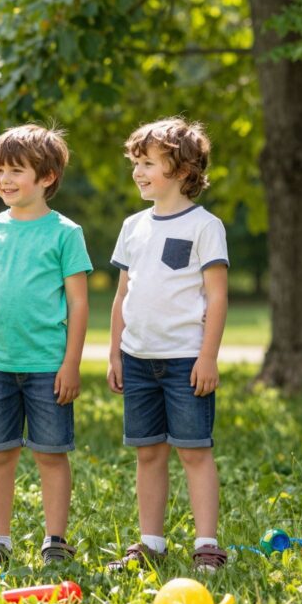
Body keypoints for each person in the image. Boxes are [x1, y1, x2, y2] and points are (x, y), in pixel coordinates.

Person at [0, 125, 91, 570]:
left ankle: (56, 539)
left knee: (51, 454)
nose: (5, 180)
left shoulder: (65, 233)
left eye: (16, 170)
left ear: (47, 177)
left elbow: (77, 302)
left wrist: (71, 364)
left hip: (47, 365)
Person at [105, 116, 229, 572]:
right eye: (135, 163)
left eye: (148, 163)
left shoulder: (205, 226)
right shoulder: (133, 226)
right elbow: (123, 294)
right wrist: (115, 352)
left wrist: (208, 355)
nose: (138, 172)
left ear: (180, 170)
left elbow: (216, 295)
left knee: (194, 451)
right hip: (138, 360)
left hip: (185, 361)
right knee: (148, 451)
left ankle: (207, 545)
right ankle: (150, 543)